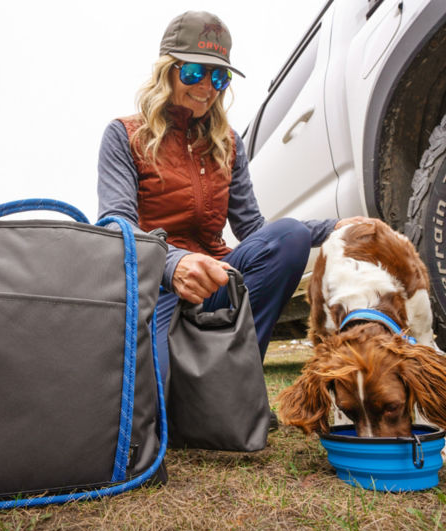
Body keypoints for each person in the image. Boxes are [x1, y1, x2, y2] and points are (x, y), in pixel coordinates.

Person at [97, 10, 365, 382]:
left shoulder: (229, 143)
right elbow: (116, 227)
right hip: (158, 287)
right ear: (167, 71)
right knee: (158, 394)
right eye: (195, 72)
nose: (208, 87)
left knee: (290, 237)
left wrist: (331, 229)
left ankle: (242, 378)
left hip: (218, 281)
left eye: (219, 77)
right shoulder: (124, 136)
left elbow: (252, 227)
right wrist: (173, 265)